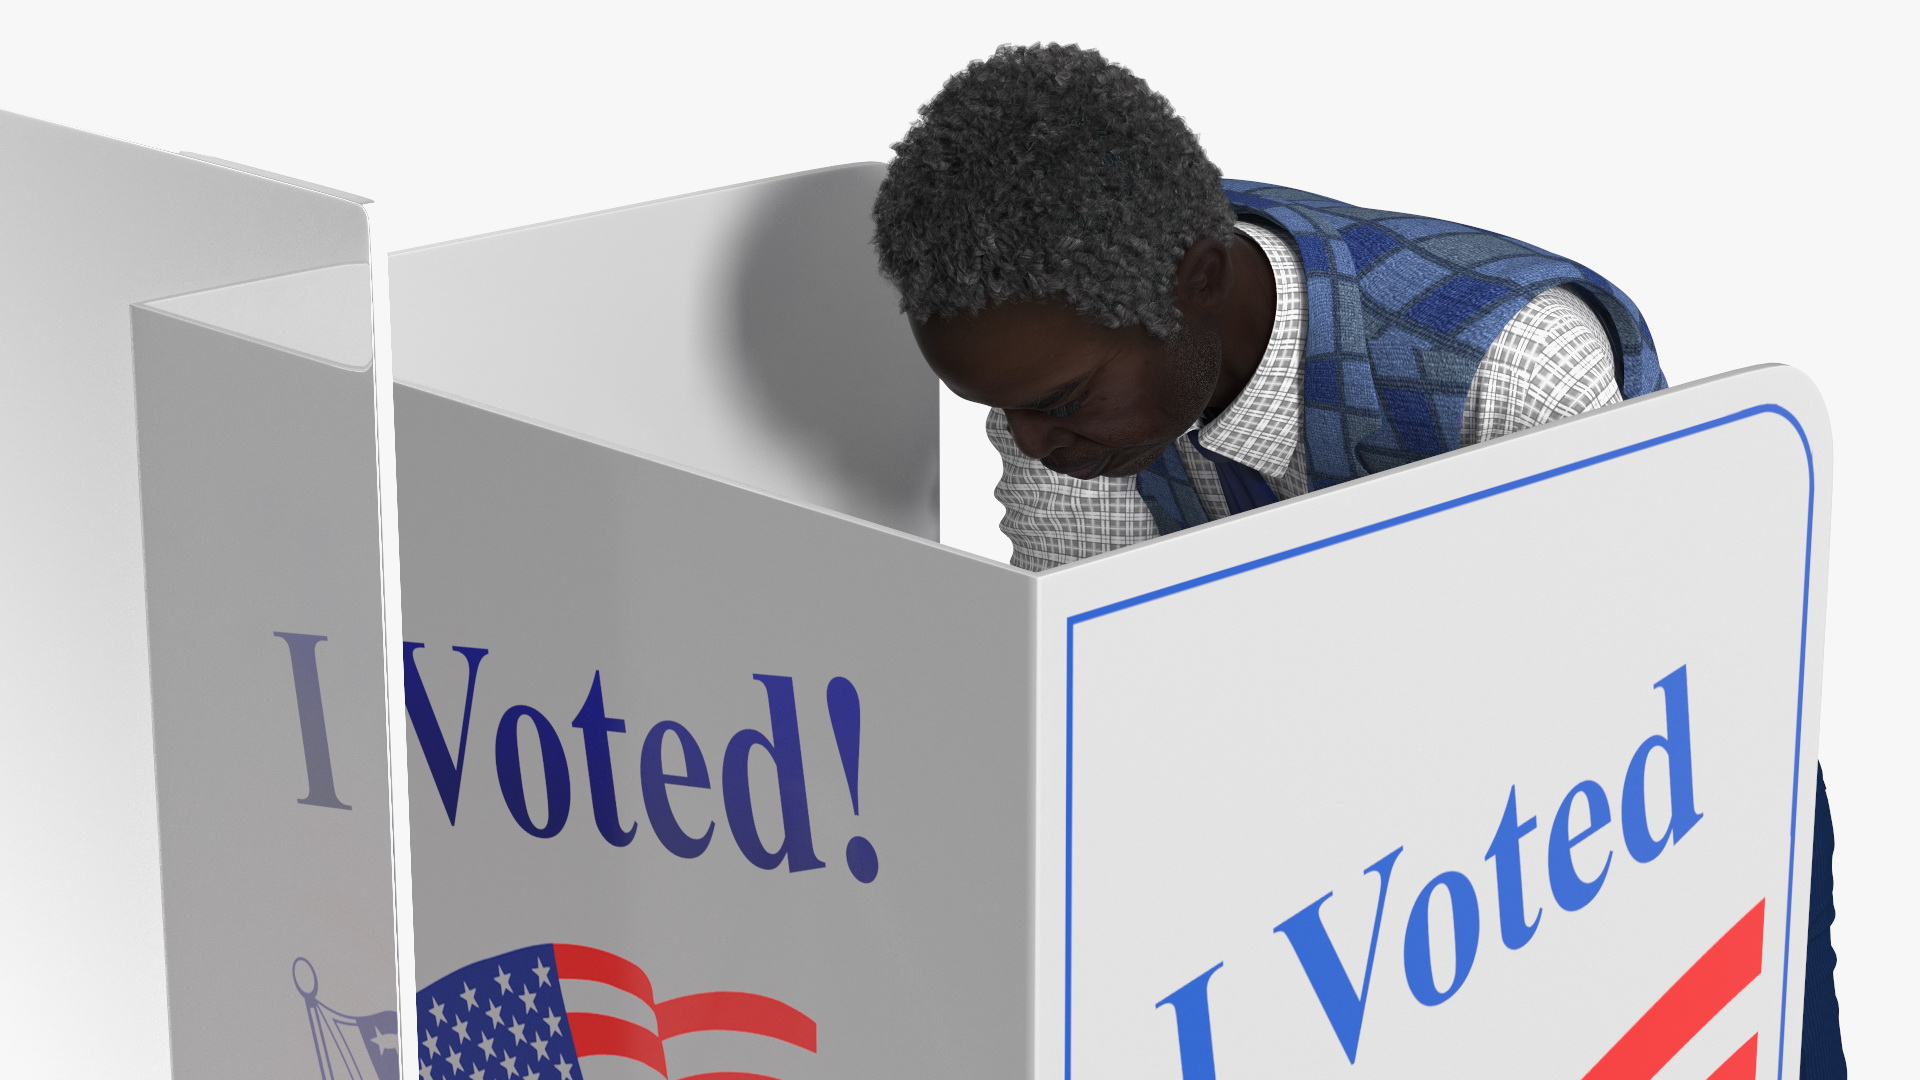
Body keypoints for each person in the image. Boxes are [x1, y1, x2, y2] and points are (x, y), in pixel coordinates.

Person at [871, 42, 1844, 1075]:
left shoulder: (1514, 363)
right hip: (1357, 835)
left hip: (1654, 790)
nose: (1029, 446)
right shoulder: (1075, 397)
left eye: (1057, 402)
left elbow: (1618, 707)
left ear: (1195, 281)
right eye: (1001, 411)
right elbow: (1113, 696)